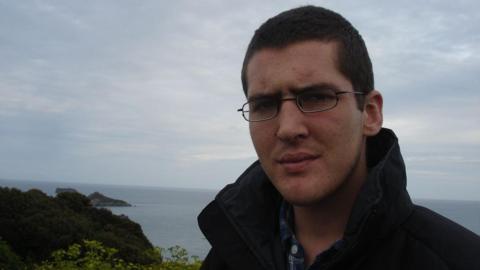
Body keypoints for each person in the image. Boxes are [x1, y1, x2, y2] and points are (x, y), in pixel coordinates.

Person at [198, 5, 480, 270]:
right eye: (264, 104)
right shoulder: (227, 256)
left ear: (370, 114)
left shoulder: (459, 260)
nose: (287, 128)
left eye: (316, 97)